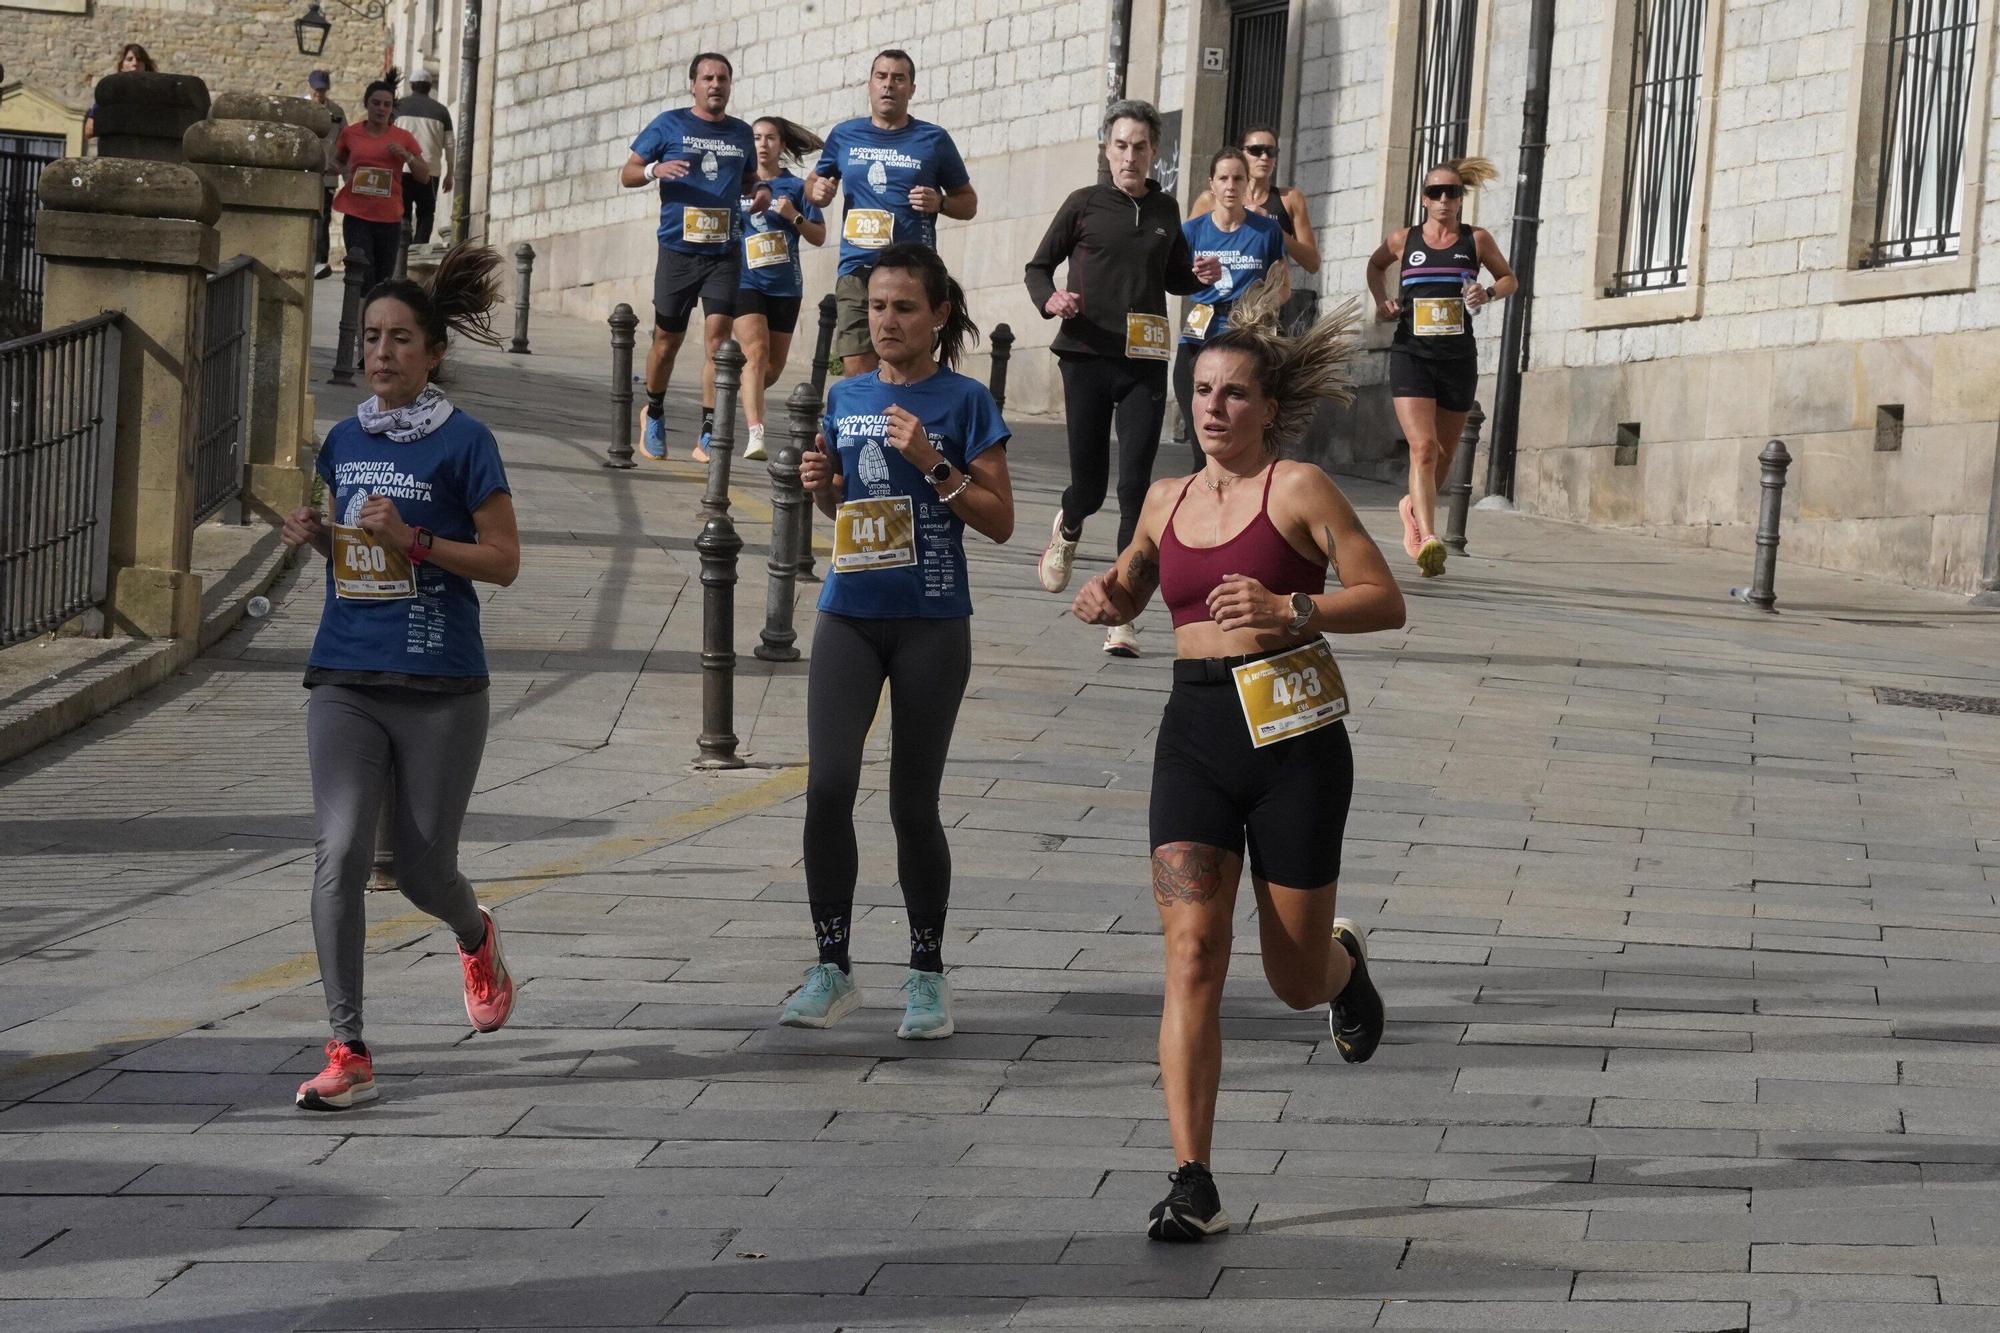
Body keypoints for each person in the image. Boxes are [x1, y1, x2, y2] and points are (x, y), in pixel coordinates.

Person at [1070, 274, 1402, 1240]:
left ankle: (1343, 970)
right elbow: (1135, 586)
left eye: (1235, 394)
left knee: (1290, 977)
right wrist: (1107, 598)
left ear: (1268, 409)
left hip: (1294, 739)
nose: (1214, 408)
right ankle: (1192, 1178)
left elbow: (1385, 599)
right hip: (1196, 734)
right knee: (1192, 956)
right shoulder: (1164, 497)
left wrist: (1290, 607)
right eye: (1203, 391)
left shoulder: (1296, 488)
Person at [279, 245, 521, 1112]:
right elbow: (354, 551)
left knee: (422, 871)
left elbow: (503, 561)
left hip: (441, 680)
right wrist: (318, 534)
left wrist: (414, 542)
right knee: (340, 854)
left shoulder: (467, 444)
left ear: (432, 353)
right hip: (346, 670)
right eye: (371, 337)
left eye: (399, 340)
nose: (381, 353)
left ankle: (474, 931)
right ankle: (348, 1046)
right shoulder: (342, 440)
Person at [780, 244, 1014, 1042]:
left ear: (938, 314)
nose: (886, 321)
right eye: (877, 306)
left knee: (912, 803)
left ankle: (926, 974)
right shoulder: (846, 393)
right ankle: (832, 966)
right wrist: (825, 491)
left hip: (932, 622)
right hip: (850, 611)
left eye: (904, 307)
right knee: (827, 787)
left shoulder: (966, 401)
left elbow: (1000, 519)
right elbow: (849, 505)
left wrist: (934, 461)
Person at [1023, 99, 1220, 660]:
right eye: (1120, 145)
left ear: (1155, 151)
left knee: (1136, 486)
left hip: (1144, 363)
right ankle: (1068, 523)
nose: (1130, 156)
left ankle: (1121, 610)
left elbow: (1175, 273)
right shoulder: (1083, 205)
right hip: (1085, 355)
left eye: (1140, 146)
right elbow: (1039, 267)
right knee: (1089, 485)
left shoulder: (1166, 208)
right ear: (1106, 150)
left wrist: (1198, 274)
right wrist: (1052, 299)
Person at [1366, 157, 1517, 579]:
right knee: (1424, 449)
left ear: (1460, 199)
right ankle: (1427, 537)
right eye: (1436, 192)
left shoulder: (1476, 240)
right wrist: (1383, 302)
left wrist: (1485, 293)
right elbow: (1375, 266)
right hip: (1411, 354)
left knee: (1445, 457)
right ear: (1424, 199)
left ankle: (1411, 508)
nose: (1444, 199)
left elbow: (1509, 279)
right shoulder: (1403, 240)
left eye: (1452, 192)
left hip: (1457, 358)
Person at [620, 52, 770, 462]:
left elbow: (749, 180)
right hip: (677, 251)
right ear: (693, 84)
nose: (716, 85)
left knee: (719, 340)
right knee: (667, 340)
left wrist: (761, 193)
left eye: (722, 78)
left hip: (723, 253)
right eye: (708, 78)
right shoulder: (669, 124)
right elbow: (628, 172)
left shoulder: (741, 133)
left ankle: (709, 429)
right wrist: (654, 171)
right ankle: (654, 409)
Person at [805, 50, 976, 378]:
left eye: (898, 78)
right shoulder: (844, 135)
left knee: (903, 370)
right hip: (857, 269)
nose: (888, 85)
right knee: (856, 368)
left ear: (912, 89)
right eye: (881, 77)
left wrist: (940, 203)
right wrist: (818, 192)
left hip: (912, 273)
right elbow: (815, 182)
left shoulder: (933, 140)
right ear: (869, 85)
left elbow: (968, 203)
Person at [1174, 149, 1288, 468]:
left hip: (1246, 340)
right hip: (1199, 338)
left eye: (1238, 178)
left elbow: (1283, 286)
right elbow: (1174, 280)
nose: (1230, 185)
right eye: (1223, 178)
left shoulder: (1266, 232)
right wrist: (1193, 277)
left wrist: (1261, 308)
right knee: (1203, 445)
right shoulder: (1192, 231)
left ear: (1247, 183)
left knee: (1240, 442)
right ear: (1212, 183)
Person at [736, 117, 827, 463]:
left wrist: (794, 217)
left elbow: (819, 236)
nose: (762, 144)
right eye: (756, 138)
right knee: (756, 353)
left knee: (769, 369)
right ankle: (756, 433)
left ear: (781, 144)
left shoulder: (797, 187)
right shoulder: (739, 184)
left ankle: (740, 389)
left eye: (770, 138)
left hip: (786, 286)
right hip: (746, 282)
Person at [332, 74, 430, 289]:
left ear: (392, 108)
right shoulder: (351, 134)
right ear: (366, 104)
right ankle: (357, 322)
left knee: (383, 282)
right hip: (357, 215)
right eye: (376, 103)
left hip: (389, 218)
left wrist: (407, 156)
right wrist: (346, 175)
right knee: (362, 276)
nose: (381, 108)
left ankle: (372, 321)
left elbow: (424, 175)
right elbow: (338, 160)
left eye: (387, 104)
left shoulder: (403, 137)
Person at [394, 68, 454, 247]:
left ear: (412, 85)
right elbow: (450, 144)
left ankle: (400, 252)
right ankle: (417, 252)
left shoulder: (398, 107)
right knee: (426, 214)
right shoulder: (442, 111)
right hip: (430, 171)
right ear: (429, 87)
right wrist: (450, 173)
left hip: (402, 169)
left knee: (401, 211)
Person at [307, 70, 347, 280]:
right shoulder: (301, 109)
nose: (318, 94)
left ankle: (320, 261)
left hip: (328, 174)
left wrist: (341, 167)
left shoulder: (337, 112)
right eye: (316, 89)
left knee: (323, 218)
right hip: (306, 173)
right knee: (307, 216)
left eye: (322, 90)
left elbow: (344, 141)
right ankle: (305, 257)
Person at [81, 43, 156, 148]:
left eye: (139, 59)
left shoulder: (154, 97)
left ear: (145, 65)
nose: (135, 63)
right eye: (129, 59)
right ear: (122, 66)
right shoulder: (109, 94)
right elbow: (89, 129)